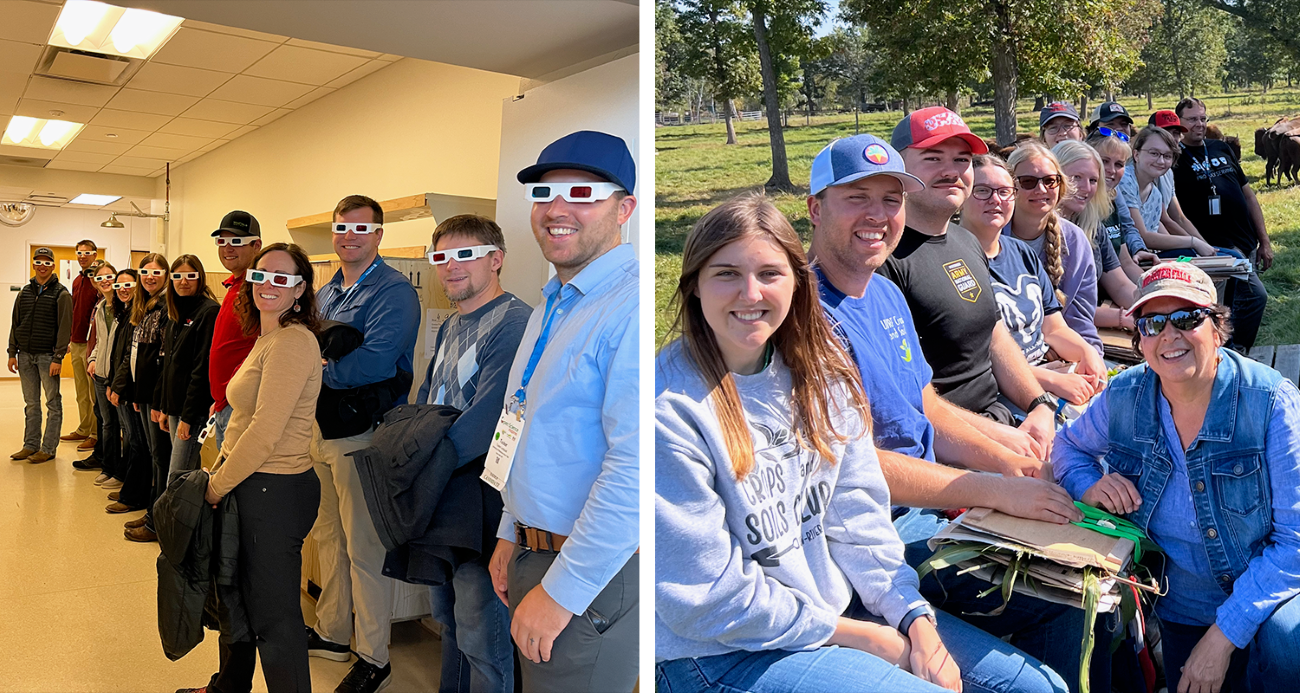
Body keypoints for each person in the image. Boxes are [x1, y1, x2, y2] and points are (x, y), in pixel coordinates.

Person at [657, 192, 986, 693]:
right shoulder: (670, 408)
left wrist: (913, 617)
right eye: (726, 273)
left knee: (1031, 684)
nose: (750, 293)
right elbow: (707, 599)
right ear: (696, 285)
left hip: (828, 611)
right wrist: (869, 640)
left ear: (795, 283)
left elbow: (858, 516)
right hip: (721, 652)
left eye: (769, 273)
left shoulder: (822, 374)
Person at [805, 133, 1095, 692]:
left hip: (929, 518)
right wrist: (994, 488)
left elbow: (924, 407)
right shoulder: (804, 317)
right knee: (1034, 685)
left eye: (891, 200)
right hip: (860, 548)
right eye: (856, 198)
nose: (878, 215)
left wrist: (1014, 461)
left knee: (1078, 599)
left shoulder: (882, 293)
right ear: (816, 209)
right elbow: (852, 468)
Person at [1053, 262, 1300, 693]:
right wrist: (1087, 484)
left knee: (1284, 643)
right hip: (1181, 608)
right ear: (1141, 340)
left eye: (1187, 319)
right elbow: (1067, 447)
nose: (1169, 335)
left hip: (1265, 602)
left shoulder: (1270, 403)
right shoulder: (1125, 395)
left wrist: (1224, 636)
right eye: (1152, 323)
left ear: (1217, 327)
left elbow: (1295, 541)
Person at [486, 130, 640, 693]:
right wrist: (511, 531)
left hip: (590, 571)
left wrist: (560, 594)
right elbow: (528, 428)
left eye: (581, 193)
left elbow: (634, 470)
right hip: (535, 549)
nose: (556, 209)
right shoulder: (552, 301)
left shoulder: (628, 307)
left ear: (624, 208)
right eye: (544, 194)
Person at [180, 243, 324, 693]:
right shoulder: (267, 337)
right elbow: (244, 422)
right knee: (236, 601)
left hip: (274, 490)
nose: (269, 284)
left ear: (300, 289)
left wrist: (215, 486)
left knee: (274, 616)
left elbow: (264, 432)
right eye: (262, 276)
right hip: (249, 483)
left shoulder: (294, 342)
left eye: (283, 278)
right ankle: (228, 686)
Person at [880, 107, 1058, 454]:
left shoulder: (965, 242)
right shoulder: (886, 261)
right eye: (933, 158)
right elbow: (908, 399)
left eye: (962, 159)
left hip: (1004, 421)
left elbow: (993, 334)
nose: (952, 172)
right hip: (944, 449)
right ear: (898, 168)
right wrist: (1002, 442)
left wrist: (1039, 404)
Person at [309, 194, 421, 693]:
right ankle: (333, 631)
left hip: (359, 434)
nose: (348, 236)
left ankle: (374, 656)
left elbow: (377, 361)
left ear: (378, 235)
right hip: (321, 429)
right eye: (340, 228)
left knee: (363, 548)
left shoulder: (393, 291)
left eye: (360, 228)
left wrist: (316, 372)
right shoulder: (328, 289)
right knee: (327, 536)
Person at [417, 215, 530, 693]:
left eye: (465, 255)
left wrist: (419, 465)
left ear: (495, 259)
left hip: (480, 502)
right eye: (441, 257)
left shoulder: (515, 322)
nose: (450, 267)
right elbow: (423, 401)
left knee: (482, 635)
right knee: (449, 622)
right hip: (441, 494)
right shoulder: (450, 324)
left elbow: (487, 420)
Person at [963, 153, 1105, 406]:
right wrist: (1050, 381)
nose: (995, 200)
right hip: (1000, 395)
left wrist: (1088, 353)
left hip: (1048, 372)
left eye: (1004, 191)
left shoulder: (1022, 254)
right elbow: (974, 359)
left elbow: (1054, 328)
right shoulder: (953, 261)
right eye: (982, 191)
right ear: (962, 195)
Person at [1172, 97, 1270, 352]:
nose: (1200, 124)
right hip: (1215, 247)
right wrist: (1200, 245)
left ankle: (1227, 352)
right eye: (1192, 119)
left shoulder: (1220, 148)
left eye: (1203, 118)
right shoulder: (1173, 159)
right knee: (1255, 296)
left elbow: (1248, 194)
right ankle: (1235, 351)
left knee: (1230, 305)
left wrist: (1264, 241)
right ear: (1179, 122)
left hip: (1245, 240)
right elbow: (1173, 213)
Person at [1004, 141, 1103, 359]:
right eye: (1028, 181)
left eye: (1050, 181)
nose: (1041, 190)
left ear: (1061, 186)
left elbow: (1081, 320)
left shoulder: (1075, 241)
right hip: (1009, 362)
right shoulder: (992, 239)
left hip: (1064, 353)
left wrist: (1092, 359)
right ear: (1010, 188)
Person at [109, 253, 171, 541]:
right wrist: (134, 390)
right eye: (145, 271)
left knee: (160, 457)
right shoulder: (144, 306)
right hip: (144, 395)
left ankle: (158, 520)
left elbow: (163, 360)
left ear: (166, 275)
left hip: (158, 398)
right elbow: (136, 355)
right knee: (152, 452)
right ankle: (151, 512)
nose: (150, 277)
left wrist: (156, 399)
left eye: (156, 272)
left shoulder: (167, 307)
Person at [1052, 140, 1142, 332]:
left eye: (1093, 180)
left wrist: (1156, 305)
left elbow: (1120, 285)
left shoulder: (1093, 225)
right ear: (1055, 177)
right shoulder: (1036, 228)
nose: (1086, 188)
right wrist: (1122, 318)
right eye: (1076, 177)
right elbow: (1062, 309)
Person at [154, 255, 219, 487]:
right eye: (178, 276)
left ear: (200, 278)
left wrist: (188, 418)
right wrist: (165, 407)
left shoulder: (209, 312)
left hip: (193, 411)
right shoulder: (175, 312)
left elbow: (201, 369)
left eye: (190, 276)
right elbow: (169, 364)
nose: (184, 281)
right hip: (175, 407)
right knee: (181, 475)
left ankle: (174, 523)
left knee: (178, 477)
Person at [8, 246, 72, 463]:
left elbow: (65, 327)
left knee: (52, 402)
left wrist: (58, 357)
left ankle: (48, 448)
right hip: (25, 355)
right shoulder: (24, 292)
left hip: (47, 357)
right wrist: (12, 352)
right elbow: (15, 324)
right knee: (31, 403)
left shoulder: (61, 293)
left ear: (53, 266)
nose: (42, 266)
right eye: (39, 262)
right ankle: (30, 445)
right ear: (33, 264)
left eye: (47, 262)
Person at [1116, 126, 1216, 257]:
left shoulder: (1156, 194)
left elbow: (1158, 229)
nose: (1161, 161)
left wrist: (1199, 250)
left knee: (1192, 255)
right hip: (1126, 259)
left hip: (1149, 257)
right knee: (1187, 252)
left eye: (1167, 156)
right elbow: (1144, 236)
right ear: (1136, 154)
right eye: (1154, 153)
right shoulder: (1126, 180)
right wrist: (1193, 242)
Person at [209, 211, 263, 450]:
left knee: (234, 482)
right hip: (224, 403)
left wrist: (233, 395)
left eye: (237, 242)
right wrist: (219, 399)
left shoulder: (259, 290)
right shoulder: (234, 286)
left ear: (256, 245)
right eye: (222, 242)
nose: (228, 248)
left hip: (242, 405)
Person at [1085, 129, 1157, 284]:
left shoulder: (1112, 201)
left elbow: (1126, 262)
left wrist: (1157, 290)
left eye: (1119, 164)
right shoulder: (1079, 209)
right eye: (1104, 161)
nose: (1111, 170)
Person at [103, 268, 140, 493]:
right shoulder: (124, 312)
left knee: (135, 439)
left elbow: (129, 355)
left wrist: (117, 385)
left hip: (130, 387)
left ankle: (132, 487)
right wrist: (110, 381)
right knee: (128, 434)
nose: (123, 290)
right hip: (119, 382)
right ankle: (125, 476)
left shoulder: (138, 314)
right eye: (119, 286)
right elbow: (117, 353)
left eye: (128, 285)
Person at [64, 239, 101, 452]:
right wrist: (70, 339)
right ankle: (84, 428)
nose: (83, 256)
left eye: (88, 252)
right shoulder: (77, 280)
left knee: (92, 392)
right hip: (77, 342)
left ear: (95, 255)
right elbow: (75, 311)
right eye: (79, 252)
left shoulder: (98, 279)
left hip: (91, 344)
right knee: (80, 391)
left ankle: (96, 434)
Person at [82, 261, 118, 480]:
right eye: (100, 278)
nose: (105, 281)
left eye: (109, 276)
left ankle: (117, 470)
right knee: (107, 423)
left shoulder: (124, 306)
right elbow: (100, 341)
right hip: (101, 374)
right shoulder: (102, 307)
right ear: (94, 283)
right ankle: (108, 466)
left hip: (117, 376)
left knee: (122, 426)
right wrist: (94, 358)